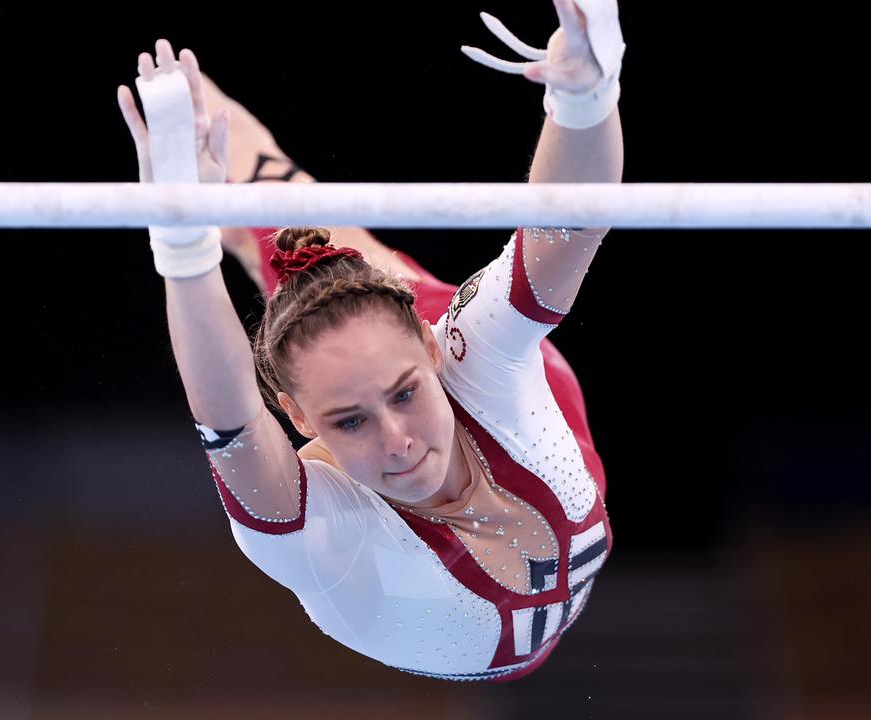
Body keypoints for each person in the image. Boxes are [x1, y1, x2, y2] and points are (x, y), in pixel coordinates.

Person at [117, 0, 624, 682]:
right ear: (297, 421)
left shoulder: (467, 349)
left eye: (403, 395)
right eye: (348, 421)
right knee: (288, 236)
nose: (397, 440)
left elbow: (573, 225)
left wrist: (586, 96)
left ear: (429, 349)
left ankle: (215, 141)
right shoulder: (326, 530)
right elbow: (229, 420)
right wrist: (182, 246)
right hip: (440, 387)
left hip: (483, 382)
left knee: (306, 231)